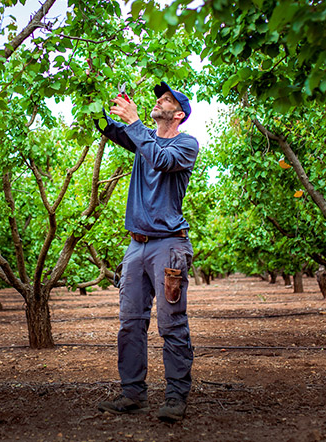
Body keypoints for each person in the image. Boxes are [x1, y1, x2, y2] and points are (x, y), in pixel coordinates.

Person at [95, 81, 199, 422]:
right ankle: (132, 394)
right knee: (130, 323)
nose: (159, 100)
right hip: (135, 246)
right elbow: (110, 128)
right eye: (159, 97)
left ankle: (175, 397)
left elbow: (159, 159)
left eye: (166, 99)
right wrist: (94, 100)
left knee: (171, 325)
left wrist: (135, 121)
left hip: (169, 246)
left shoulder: (186, 144)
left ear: (178, 114)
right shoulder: (142, 138)